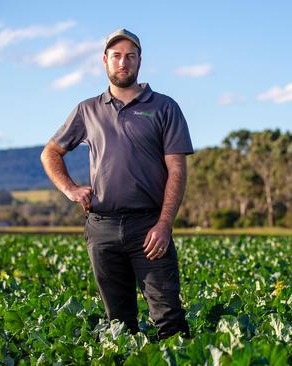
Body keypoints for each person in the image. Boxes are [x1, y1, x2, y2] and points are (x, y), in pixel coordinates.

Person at [40, 28, 193, 339]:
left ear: (139, 62)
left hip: (148, 226)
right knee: (119, 325)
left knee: (169, 319)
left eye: (131, 56)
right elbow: (51, 152)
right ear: (105, 61)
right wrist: (70, 188)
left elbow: (177, 170)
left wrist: (164, 224)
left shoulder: (164, 107)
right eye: (117, 56)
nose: (124, 62)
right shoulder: (87, 109)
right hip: (102, 228)